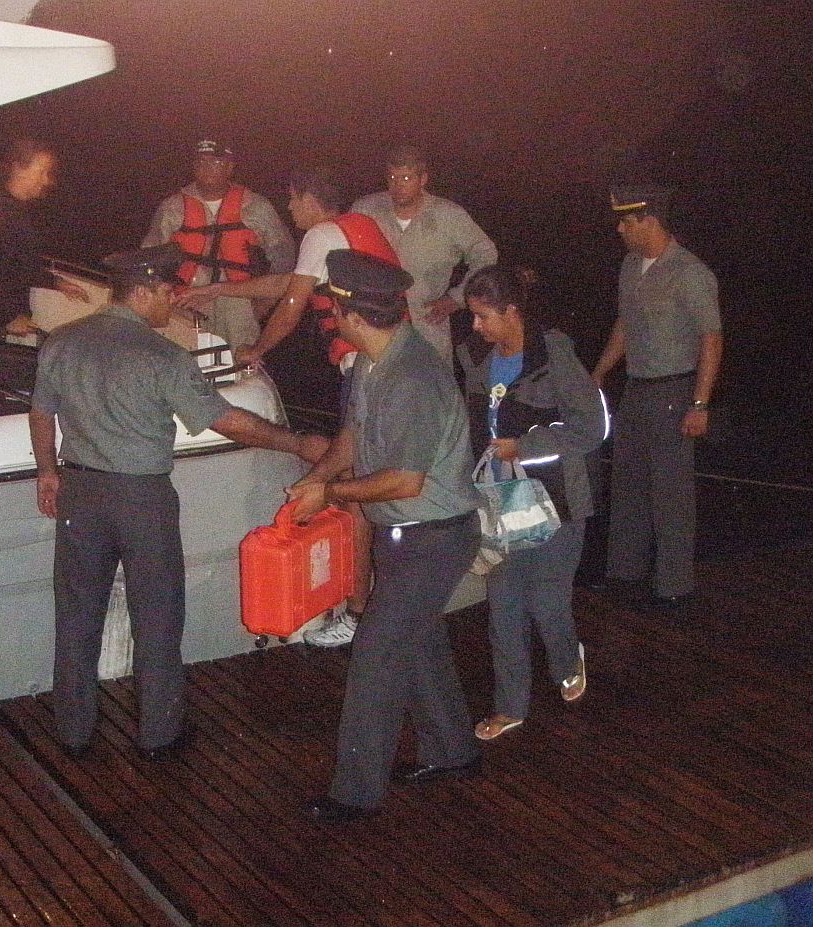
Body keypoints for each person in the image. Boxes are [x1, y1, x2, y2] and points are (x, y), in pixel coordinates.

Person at [29, 243, 328, 760]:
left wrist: (48, 473)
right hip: (141, 497)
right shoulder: (163, 356)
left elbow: (41, 412)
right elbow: (225, 419)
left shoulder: (62, 342)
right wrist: (296, 442)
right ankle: (159, 734)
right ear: (142, 291)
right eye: (167, 290)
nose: (174, 298)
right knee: (158, 616)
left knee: (77, 615)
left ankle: (74, 732)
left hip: (80, 493)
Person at [288, 249, 483, 823]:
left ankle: (355, 792)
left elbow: (405, 479)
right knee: (417, 642)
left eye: (331, 309)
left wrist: (333, 495)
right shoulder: (372, 362)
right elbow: (354, 433)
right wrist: (317, 476)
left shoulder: (415, 375)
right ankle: (454, 751)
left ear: (348, 314)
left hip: (436, 537)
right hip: (402, 537)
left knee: (375, 653)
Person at [178, 165, 400, 647]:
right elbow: (288, 283)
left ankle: (360, 614)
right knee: (359, 475)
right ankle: (375, 603)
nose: (290, 211)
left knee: (352, 489)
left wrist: (257, 350)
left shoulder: (320, 232)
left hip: (363, 369)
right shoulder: (359, 226)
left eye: (292, 201)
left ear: (308, 198)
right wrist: (219, 289)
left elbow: (294, 302)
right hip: (390, 365)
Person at [457, 265, 607, 740]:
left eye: (483, 317)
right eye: (473, 317)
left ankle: (566, 662)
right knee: (503, 600)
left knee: (546, 598)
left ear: (512, 311)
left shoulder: (554, 357)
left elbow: (593, 428)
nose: (475, 327)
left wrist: (524, 445)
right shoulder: (475, 359)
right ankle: (510, 706)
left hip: (558, 498)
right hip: (503, 498)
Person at [591, 185, 722, 607]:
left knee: (670, 492)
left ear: (648, 220)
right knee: (627, 483)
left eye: (626, 221)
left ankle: (674, 586)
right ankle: (625, 575)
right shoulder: (630, 267)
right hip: (637, 386)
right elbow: (624, 327)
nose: (620, 228)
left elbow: (711, 339)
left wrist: (700, 404)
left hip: (675, 388)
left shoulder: (690, 272)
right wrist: (597, 375)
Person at [351, 142, 498, 361]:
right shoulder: (366, 210)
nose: (397, 186)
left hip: (427, 328)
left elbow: (486, 255)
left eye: (406, 178)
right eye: (392, 178)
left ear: (423, 179)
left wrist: (457, 299)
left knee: (431, 391)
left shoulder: (449, 216)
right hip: (374, 329)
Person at [142, 139, 295, 348]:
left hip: (238, 307)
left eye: (216, 163)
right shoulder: (172, 208)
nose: (208, 169)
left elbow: (283, 259)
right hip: (185, 304)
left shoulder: (256, 206)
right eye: (202, 162)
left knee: (239, 368)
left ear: (230, 167)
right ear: (193, 167)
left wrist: (263, 304)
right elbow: (149, 261)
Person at [0, 138, 89, 337]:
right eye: (42, 172)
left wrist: (55, 282)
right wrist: (6, 318)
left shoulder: (13, 211)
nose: (47, 180)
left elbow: (17, 265)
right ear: (18, 169)